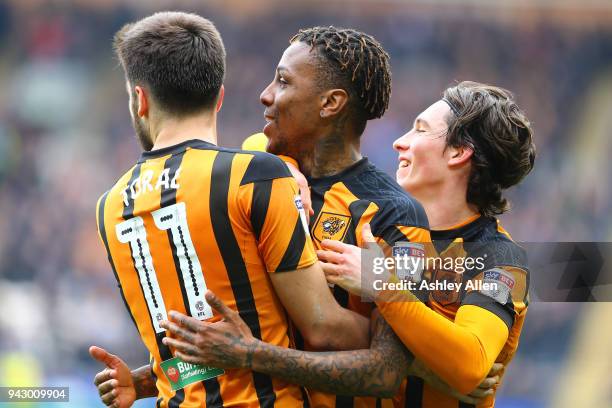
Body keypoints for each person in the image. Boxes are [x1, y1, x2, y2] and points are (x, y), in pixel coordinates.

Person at [162, 82, 534, 408]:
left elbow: (470, 364)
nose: (399, 141)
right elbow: (260, 141)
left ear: (458, 153)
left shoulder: (500, 259)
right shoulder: (374, 217)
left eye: (420, 130)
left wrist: (382, 285)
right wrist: (282, 166)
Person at [90, 12, 371, 408]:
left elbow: (202, 361)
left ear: (140, 100)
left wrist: (150, 380)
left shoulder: (110, 206)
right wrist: (422, 343)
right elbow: (323, 328)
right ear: (219, 95)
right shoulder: (254, 176)